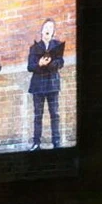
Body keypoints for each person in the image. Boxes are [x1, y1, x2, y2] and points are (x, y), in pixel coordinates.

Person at [27, 19, 65, 151]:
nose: (48, 29)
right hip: (38, 85)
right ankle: (36, 143)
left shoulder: (58, 45)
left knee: (54, 114)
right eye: (45, 27)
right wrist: (40, 64)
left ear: (53, 31)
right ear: (42, 31)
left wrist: (50, 63)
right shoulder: (34, 48)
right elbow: (30, 67)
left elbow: (60, 63)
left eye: (50, 27)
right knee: (38, 115)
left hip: (52, 84)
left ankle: (56, 142)